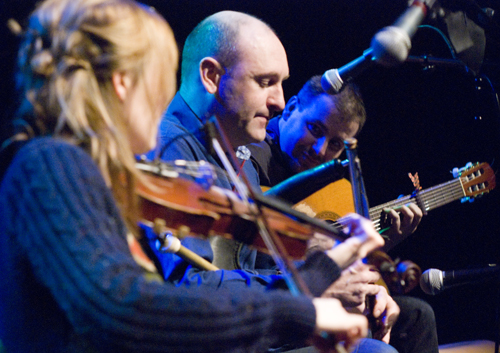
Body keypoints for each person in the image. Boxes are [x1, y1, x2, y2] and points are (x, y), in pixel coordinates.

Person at [0, 0, 386, 352]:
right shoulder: (49, 165)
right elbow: (125, 310)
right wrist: (302, 315)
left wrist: (329, 264)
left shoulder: (94, 173)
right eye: (160, 78)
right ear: (122, 84)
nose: (166, 98)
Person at [149, 10, 404, 353]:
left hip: (253, 330)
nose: (279, 102)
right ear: (211, 76)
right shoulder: (170, 149)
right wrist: (311, 289)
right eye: (265, 82)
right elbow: (190, 289)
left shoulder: (239, 158)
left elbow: (251, 262)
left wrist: (346, 281)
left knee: (400, 325)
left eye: (281, 83)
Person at [247, 75, 439, 353]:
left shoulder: (338, 184)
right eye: (314, 128)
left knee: (416, 316)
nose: (320, 150)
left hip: (322, 296)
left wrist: (379, 272)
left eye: (336, 144)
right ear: (289, 110)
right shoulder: (251, 153)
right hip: (274, 301)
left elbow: (350, 264)